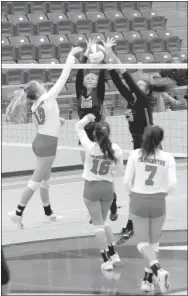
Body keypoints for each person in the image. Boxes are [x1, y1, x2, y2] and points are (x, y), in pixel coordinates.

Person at [8, 46, 83, 229]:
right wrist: (70, 57)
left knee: (45, 180)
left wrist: (58, 120)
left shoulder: (37, 105)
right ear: (39, 91)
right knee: (35, 182)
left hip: (41, 140)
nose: (44, 86)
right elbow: (63, 78)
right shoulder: (47, 98)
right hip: (47, 145)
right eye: (41, 85)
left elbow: (44, 121)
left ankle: (48, 213)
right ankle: (17, 213)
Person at [103, 39, 155, 244]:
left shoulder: (142, 98)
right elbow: (117, 80)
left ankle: (133, 225)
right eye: (138, 84)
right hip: (137, 145)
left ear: (146, 90)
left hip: (147, 145)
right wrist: (107, 63)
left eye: (141, 84)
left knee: (137, 186)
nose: (137, 84)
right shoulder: (132, 99)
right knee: (136, 186)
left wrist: (111, 54)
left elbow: (126, 77)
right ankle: (137, 222)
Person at [124, 125, 177, 293]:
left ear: (144, 137)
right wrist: (162, 194)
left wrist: (132, 195)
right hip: (159, 202)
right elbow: (173, 184)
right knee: (153, 244)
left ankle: (157, 270)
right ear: (161, 139)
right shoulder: (168, 158)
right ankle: (147, 281)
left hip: (138, 200)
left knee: (142, 244)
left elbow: (126, 182)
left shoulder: (135, 155)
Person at [76, 38, 118, 222]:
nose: (91, 78)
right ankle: (94, 209)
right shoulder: (80, 91)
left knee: (105, 172)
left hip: (98, 134)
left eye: (93, 77)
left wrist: (104, 55)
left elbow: (102, 76)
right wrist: (85, 55)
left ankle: (113, 206)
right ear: (85, 82)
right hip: (83, 134)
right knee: (88, 170)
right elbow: (79, 73)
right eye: (88, 77)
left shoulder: (98, 92)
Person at [76, 113, 124, 271]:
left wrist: (87, 118)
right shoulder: (116, 149)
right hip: (107, 189)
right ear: (109, 134)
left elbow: (78, 127)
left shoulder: (90, 147)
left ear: (94, 135)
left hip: (91, 189)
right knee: (104, 223)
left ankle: (106, 261)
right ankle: (114, 254)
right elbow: (119, 172)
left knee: (98, 225)